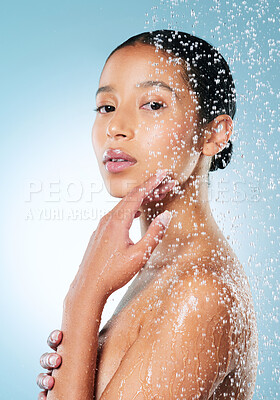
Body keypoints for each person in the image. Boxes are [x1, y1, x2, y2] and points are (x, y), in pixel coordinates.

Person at [36, 30, 258, 399]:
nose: (115, 128)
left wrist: (83, 299)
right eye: (107, 106)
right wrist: (77, 361)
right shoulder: (163, 267)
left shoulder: (200, 292)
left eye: (153, 104)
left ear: (214, 133)